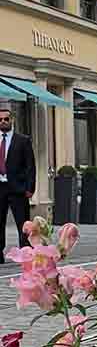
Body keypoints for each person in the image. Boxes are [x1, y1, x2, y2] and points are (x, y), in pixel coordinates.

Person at [0, 100, 35, 260]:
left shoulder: (23, 140)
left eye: (6, 119)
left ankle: (26, 254)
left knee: (23, 224)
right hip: (0, 188)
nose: (3, 122)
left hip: (18, 188)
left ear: (11, 120)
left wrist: (30, 188)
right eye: (0, 120)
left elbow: (30, 166)